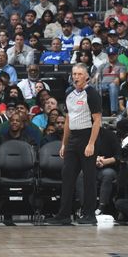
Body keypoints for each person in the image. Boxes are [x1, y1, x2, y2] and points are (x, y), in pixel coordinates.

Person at [46, 64, 102, 224]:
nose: (76, 77)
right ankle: (64, 215)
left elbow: (97, 120)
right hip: (73, 139)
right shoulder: (69, 94)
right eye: (74, 74)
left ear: (86, 77)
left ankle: (90, 215)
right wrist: (64, 144)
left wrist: (91, 143)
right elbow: (68, 120)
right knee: (67, 176)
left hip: (87, 136)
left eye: (79, 74)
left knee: (89, 178)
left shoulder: (92, 94)